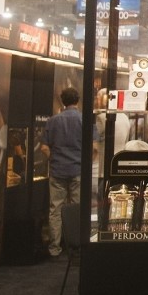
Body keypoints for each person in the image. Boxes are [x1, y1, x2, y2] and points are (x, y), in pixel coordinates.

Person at [41, 87, 82, 258]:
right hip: (78, 170)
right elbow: (94, 148)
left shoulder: (52, 121)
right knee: (77, 208)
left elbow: (44, 148)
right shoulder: (84, 120)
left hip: (57, 170)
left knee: (55, 209)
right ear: (78, 100)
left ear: (62, 101)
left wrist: (54, 159)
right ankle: (77, 246)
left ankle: (54, 248)